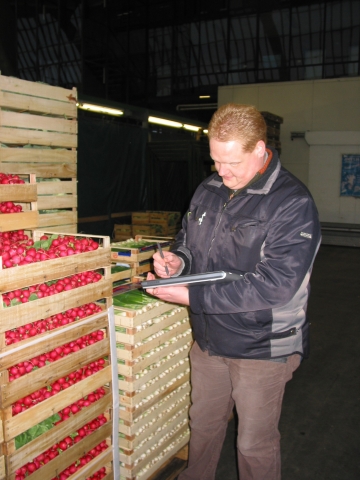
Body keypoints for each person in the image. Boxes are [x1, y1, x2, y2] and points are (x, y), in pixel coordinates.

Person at [145, 103, 322, 480]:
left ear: (259, 149)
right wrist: (177, 262)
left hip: (261, 345)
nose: (221, 173)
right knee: (204, 424)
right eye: (215, 162)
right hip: (211, 340)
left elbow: (276, 285)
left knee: (252, 443)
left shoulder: (292, 203)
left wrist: (194, 297)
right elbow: (189, 243)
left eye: (232, 163)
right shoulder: (209, 189)